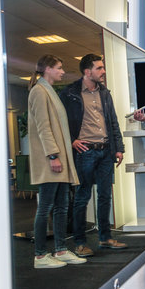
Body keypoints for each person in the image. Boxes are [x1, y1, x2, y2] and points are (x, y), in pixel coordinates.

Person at [60, 53, 127, 257]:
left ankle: (105, 238)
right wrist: (71, 139)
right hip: (85, 152)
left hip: (105, 151)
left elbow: (112, 121)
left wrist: (119, 147)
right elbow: (60, 121)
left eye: (103, 67)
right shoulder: (69, 93)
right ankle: (80, 243)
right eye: (99, 68)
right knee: (82, 197)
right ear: (87, 71)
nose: (103, 71)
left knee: (105, 196)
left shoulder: (105, 93)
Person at [27, 54, 86, 268]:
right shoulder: (38, 91)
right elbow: (44, 128)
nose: (62, 71)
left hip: (60, 160)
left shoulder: (50, 91)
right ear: (48, 69)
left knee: (62, 207)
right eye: (59, 68)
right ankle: (40, 255)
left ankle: (60, 249)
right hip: (51, 160)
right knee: (46, 207)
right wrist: (53, 155)